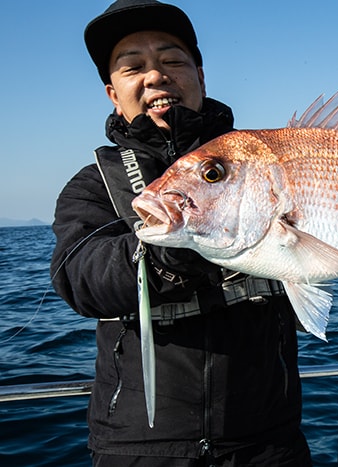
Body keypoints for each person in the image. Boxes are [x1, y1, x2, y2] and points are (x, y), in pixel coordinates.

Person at [50, 1, 312, 465]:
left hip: (268, 441)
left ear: (201, 77)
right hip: (140, 446)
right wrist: (163, 257)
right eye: (133, 67)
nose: (155, 76)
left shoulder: (263, 162)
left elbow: (325, 238)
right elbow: (80, 280)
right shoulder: (92, 185)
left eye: (172, 61)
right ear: (114, 93)